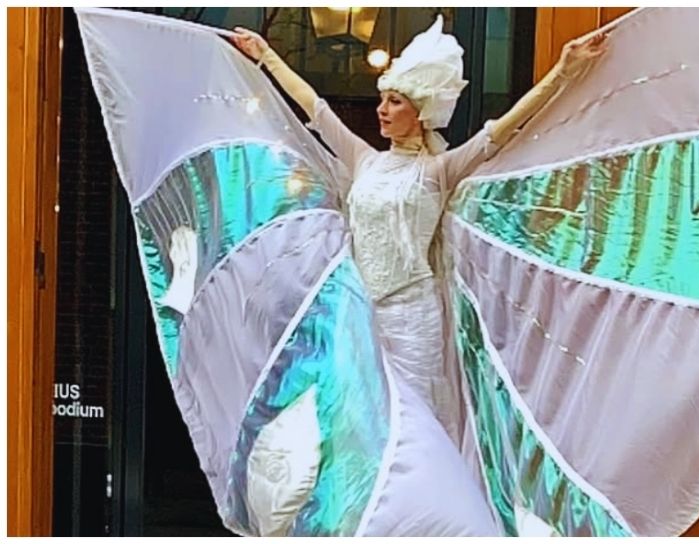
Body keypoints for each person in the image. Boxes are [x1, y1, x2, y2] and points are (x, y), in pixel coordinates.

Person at [230, 16, 607, 439]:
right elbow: (313, 104)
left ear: (421, 110)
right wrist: (266, 55)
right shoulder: (364, 159)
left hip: (412, 315)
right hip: (361, 310)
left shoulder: (438, 171)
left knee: (415, 424)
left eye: (395, 101)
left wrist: (561, 72)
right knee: (359, 422)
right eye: (383, 99)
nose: (382, 110)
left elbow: (500, 132)